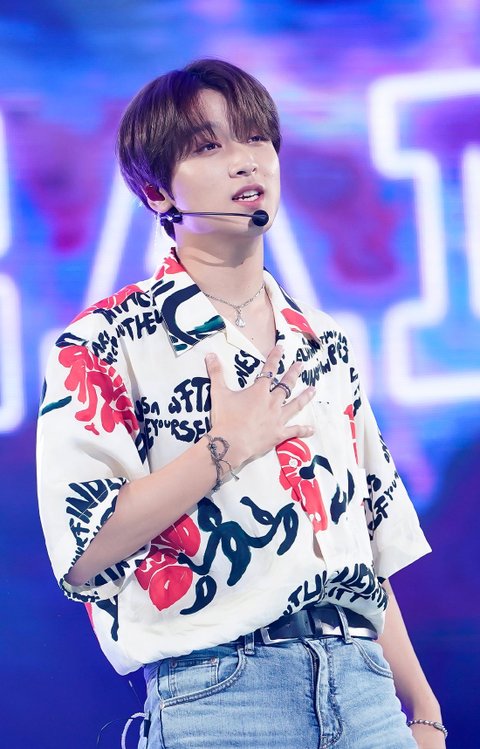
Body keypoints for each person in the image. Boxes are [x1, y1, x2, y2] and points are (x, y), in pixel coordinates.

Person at [37, 59, 446, 749]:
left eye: (257, 138)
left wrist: (423, 709)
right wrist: (222, 450)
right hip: (221, 697)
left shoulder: (322, 343)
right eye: (208, 146)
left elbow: (365, 549)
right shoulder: (105, 342)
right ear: (155, 192)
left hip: (365, 691)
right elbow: (83, 550)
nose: (246, 159)